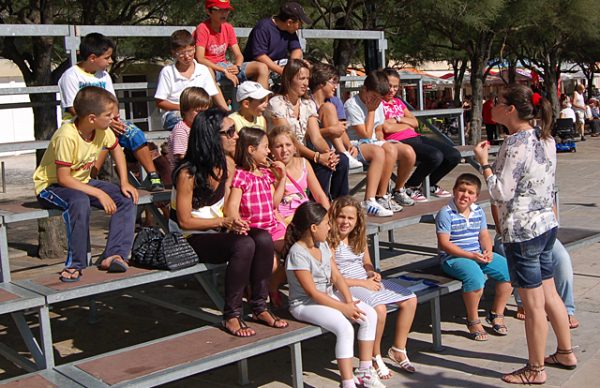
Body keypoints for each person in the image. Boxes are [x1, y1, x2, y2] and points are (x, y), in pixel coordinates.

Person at [474, 84, 577, 384]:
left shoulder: (515, 143)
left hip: (523, 232)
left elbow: (501, 192)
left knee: (533, 304)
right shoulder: (544, 137)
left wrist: (484, 164)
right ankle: (565, 351)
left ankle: (535, 368)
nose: (491, 105)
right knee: (549, 293)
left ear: (510, 110)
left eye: (497, 101)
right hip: (545, 225)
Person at [171, 109, 287, 336]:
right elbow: (184, 221)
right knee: (243, 245)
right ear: (212, 137)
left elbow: (230, 205)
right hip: (190, 237)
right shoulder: (187, 173)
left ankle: (259, 306)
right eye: (230, 132)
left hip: (220, 230)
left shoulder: (228, 166)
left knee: (262, 238)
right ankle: (231, 314)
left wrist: (235, 220)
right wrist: (225, 221)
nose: (236, 136)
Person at [33, 86, 138, 282]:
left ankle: (114, 254)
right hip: (52, 187)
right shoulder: (67, 135)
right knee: (79, 201)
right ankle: (75, 264)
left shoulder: (102, 129)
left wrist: (124, 181)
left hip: (81, 182)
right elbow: (64, 178)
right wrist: (98, 193)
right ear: (91, 118)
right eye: (109, 115)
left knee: (126, 198)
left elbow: (116, 150)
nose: (113, 120)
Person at [284, 202, 384, 388]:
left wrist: (349, 301)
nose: (330, 227)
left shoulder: (321, 245)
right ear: (314, 228)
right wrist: (343, 308)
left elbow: (337, 277)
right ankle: (347, 383)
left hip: (327, 296)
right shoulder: (298, 254)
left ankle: (364, 370)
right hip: (305, 304)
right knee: (344, 327)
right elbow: (312, 293)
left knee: (369, 314)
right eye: (326, 223)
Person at [58, 32, 164, 191]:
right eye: (107, 58)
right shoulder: (71, 76)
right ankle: (89, 179)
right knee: (103, 138)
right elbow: (73, 108)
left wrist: (112, 120)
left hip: (105, 121)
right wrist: (104, 124)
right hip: (81, 124)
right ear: (93, 58)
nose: (111, 61)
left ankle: (153, 177)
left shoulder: (104, 76)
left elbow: (112, 102)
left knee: (133, 133)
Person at [328, 196, 417, 379]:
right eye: (341, 217)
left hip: (364, 280)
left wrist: (371, 272)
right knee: (380, 309)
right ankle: (374, 355)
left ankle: (398, 348)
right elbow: (334, 277)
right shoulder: (330, 241)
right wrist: (364, 283)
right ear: (334, 217)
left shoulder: (357, 237)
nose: (345, 222)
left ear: (357, 220)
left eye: (350, 218)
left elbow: (366, 262)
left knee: (410, 299)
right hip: (345, 285)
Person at [435, 173, 512, 341]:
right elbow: (444, 244)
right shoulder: (446, 213)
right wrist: (471, 256)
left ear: (476, 197)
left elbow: (483, 234)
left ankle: (496, 313)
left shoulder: (478, 211)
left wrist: (487, 250)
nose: (465, 195)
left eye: (470, 193)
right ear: (454, 191)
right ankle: (473, 319)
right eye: (461, 190)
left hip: (477, 253)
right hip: (453, 257)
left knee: (509, 271)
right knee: (476, 278)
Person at [226, 127, 290, 311]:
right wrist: (235, 221)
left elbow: (273, 203)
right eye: (266, 147)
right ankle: (256, 289)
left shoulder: (265, 174)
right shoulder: (241, 176)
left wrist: (282, 179)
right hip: (255, 229)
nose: (269, 151)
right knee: (272, 263)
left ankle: (275, 287)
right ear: (251, 150)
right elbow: (232, 205)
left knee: (295, 250)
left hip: (272, 227)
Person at [265, 59, 349, 200]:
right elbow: (291, 140)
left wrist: (328, 154)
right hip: (285, 153)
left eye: (307, 79)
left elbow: (316, 137)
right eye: (301, 78)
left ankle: (339, 205)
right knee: (322, 165)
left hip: (304, 154)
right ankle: (318, 205)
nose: (306, 83)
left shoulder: (307, 104)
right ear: (289, 79)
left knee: (341, 160)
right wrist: (317, 157)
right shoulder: (276, 104)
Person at [267, 125, 330, 306]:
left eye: (288, 145)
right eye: (278, 146)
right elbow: (273, 206)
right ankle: (275, 285)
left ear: (295, 147)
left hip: (306, 218)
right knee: (293, 249)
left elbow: (319, 196)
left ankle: (320, 286)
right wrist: (281, 177)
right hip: (282, 221)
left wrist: (326, 219)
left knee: (327, 244)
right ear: (271, 150)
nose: (284, 150)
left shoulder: (304, 163)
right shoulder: (269, 171)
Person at [381, 68, 459, 203]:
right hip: (398, 141)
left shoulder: (398, 102)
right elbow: (386, 127)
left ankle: (431, 184)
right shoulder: (378, 103)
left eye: (395, 87)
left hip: (415, 137)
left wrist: (398, 120)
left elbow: (415, 123)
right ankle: (409, 186)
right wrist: (406, 122)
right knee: (434, 156)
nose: (392, 90)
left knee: (453, 155)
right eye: (389, 86)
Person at [344, 70, 416, 216]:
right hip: (357, 144)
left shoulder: (377, 104)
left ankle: (396, 190)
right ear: (364, 90)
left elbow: (378, 129)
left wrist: (381, 139)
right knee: (386, 150)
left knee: (408, 152)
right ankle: (377, 196)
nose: (377, 100)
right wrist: (370, 111)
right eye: (374, 96)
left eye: (379, 98)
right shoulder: (352, 105)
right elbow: (364, 133)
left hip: (373, 142)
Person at [155, 29, 228, 130]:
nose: (187, 56)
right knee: (189, 124)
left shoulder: (203, 70)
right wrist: (184, 108)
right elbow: (160, 102)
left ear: (194, 48)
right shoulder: (167, 72)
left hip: (200, 112)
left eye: (190, 51)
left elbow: (211, 96)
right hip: (176, 113)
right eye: (181, 53)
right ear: (173, 53)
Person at [194, 0, 268, 88]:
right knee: (208, 73)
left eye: (226, 10)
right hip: (211, 67)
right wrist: (223, 70)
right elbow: (200, 58)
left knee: (262, 67)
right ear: (208, 11)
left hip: (225, 66)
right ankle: (219, 102)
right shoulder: (202, 28)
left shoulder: (228, 27)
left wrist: (238, 66)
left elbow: (239, 55)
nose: (224, 13)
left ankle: (261, 100)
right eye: (219, 10)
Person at [309, 62, 363, 169]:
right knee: (328, 107)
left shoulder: (335, 101)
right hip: (314, 147)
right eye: (333, 82)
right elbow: (306, 134)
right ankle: (343, 153)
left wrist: (349, 146)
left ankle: (345, 154)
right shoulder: (307, 103)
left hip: (333, 146)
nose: (335, 87)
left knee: (378, 152)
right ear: (321, 83)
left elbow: (340, 128)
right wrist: (329, 130)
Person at [243, 2, 312, 78]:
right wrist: (282, 71)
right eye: (299, 24)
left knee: (305, 65)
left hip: (277, 66)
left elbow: (297, 50)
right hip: (257, 66)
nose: (299, 27)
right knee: (263, 68)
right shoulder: (263, 27)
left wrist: (292, 67)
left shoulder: (290, 31)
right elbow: (260, 56)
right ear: (289, 22)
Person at [167, 87, 211, 170]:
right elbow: (182, 156)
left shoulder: (201, 128)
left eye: (205, 112)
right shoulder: (181, 130)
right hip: (185, 174)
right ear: (185, 110)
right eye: (198, 111)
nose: (202, 115)